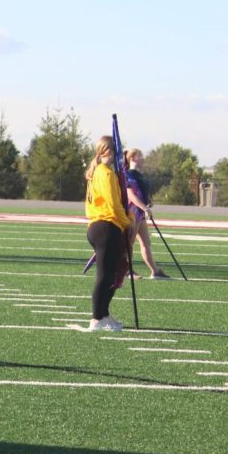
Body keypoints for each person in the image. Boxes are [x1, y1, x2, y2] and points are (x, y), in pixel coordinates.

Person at [84, 136, 130, 332]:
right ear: (109, 151)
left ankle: (104, 314)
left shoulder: (98, 172)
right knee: (104, 275)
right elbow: (113, 204)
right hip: (106, 226)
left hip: (101, 226)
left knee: (112, 274)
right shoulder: (106, 174)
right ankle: (96, 318)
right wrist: (127, 221)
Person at [125, 148, 168, 279]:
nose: (143, 159)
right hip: (133, 212)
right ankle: (127, 271)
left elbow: (142, 192)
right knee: (129, 243)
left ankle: (155, 271)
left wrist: (148, 201)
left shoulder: (139, 175)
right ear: (132, 158)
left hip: (140, 213)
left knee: (146, 242)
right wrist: (144, 208)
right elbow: (131, 195)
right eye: (140, 156)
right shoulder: (128, 175)